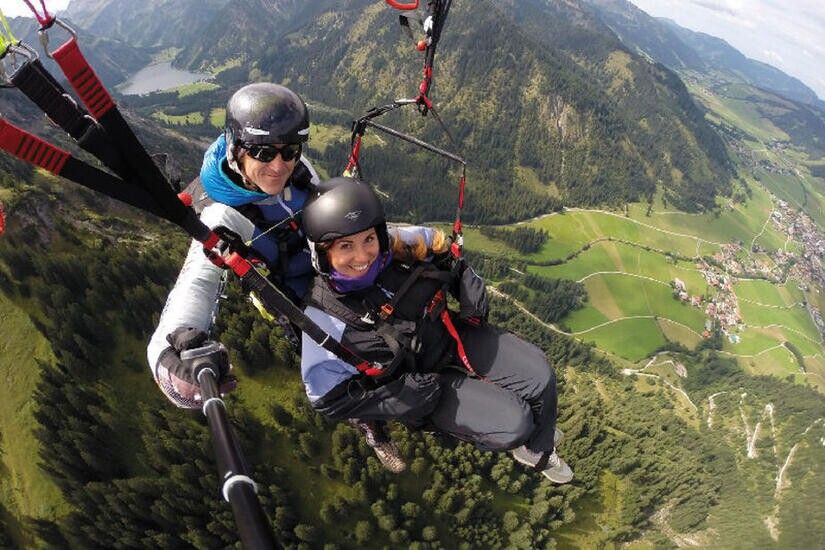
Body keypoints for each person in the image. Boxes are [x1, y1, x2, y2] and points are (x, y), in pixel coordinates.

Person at [146, 83, 405, 473]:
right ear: (235, 147)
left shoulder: (298, 171)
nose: (279, 165)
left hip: (333, 267)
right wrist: (168, 356)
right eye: (263, 153)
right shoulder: (221, 216)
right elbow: (196, 282)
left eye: (289, 151)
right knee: (343, 364)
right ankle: (372, 425)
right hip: (294, 301)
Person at [300, 177, 573, 483]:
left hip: (450, 336)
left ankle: (538, 445)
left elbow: (446, 251)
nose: (363, 256)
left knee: (540, 376)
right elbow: (327, 399)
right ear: (322, 253)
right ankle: (527, 437)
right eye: (345, 246)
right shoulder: (325, 319)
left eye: (368, 239)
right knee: (515, 423)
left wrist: (467, 284)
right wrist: (398, 398)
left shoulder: (399, 246)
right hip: (423, 387)